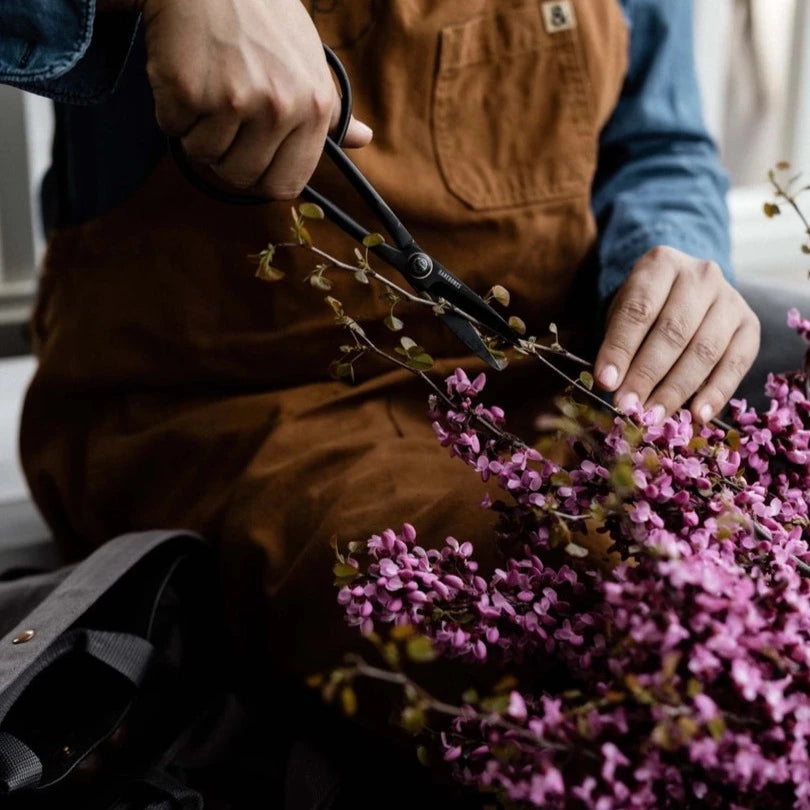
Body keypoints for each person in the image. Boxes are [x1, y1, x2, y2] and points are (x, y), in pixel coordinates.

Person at [2, 0, 756, 736]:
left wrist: (674, 254)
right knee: (613, 624)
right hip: (232, 408)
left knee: (741, 589)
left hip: (562, 393)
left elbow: (658, 145)